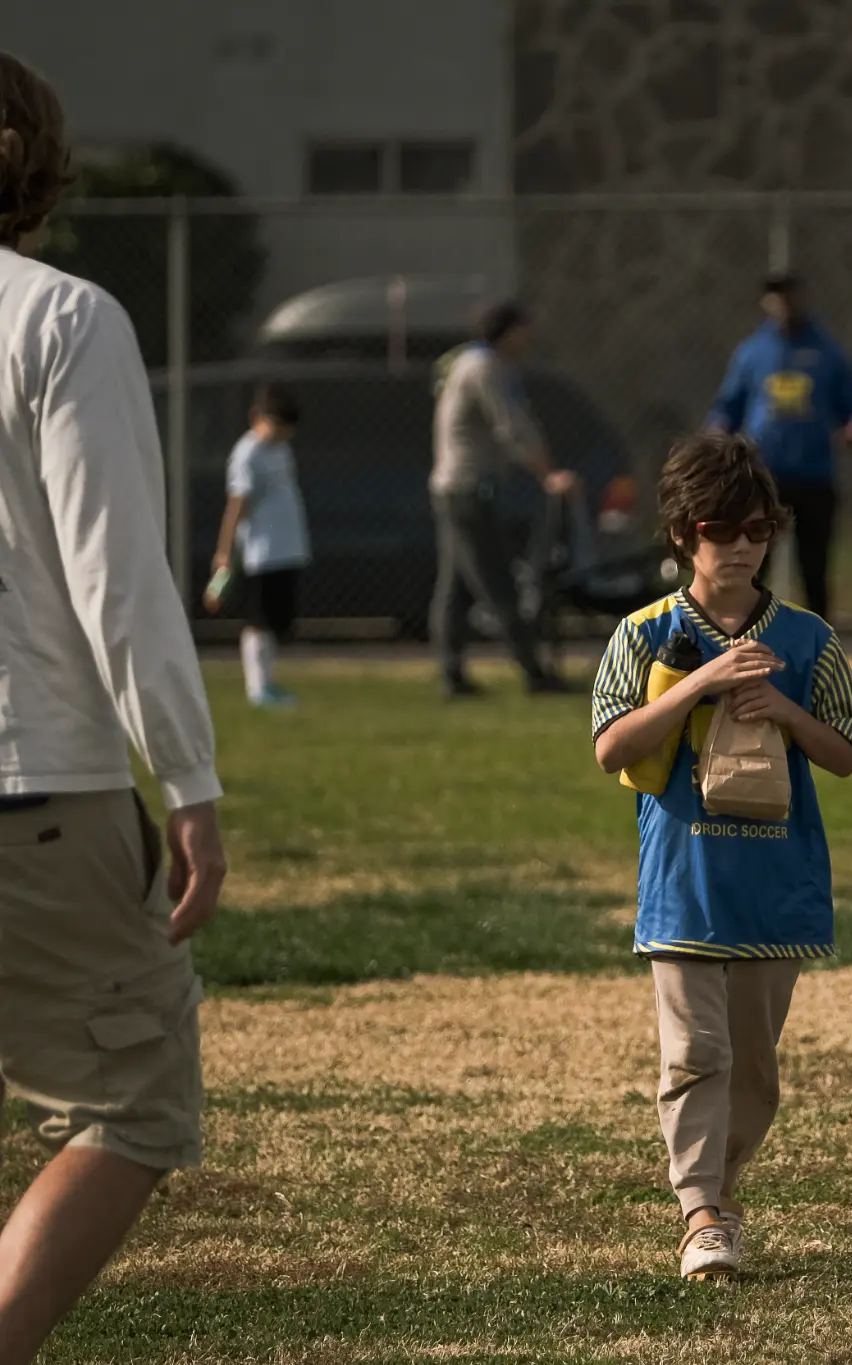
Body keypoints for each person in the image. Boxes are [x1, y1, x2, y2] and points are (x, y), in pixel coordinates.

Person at [0, 51, 227, 1365]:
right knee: (135, 1100)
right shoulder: (61, 320)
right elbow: (116, 576)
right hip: (41, 784)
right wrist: (189, 785)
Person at [590, 432, 852, 1281]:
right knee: (693, 1053)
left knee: (754, 1069)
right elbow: (609, 749)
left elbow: (846, 750)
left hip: (777, 889)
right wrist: (700, 686)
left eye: (759, 530)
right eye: (722, 530)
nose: (742, 547)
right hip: (685, 885)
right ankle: (700, 1208)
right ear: (683, 534)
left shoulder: (808, 637)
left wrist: (781, 706)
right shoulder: (645, 634)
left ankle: (719, 1188)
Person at [429, 300, 577, 698]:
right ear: (508, 331)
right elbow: (512, 429)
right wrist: (550, 476)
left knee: (456, 588)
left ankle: (450, 675)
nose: (529, 338)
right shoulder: (484, 367)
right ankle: (534, 672)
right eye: (524, 329)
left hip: (454, 489)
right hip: (468, 491)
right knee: (498, 583)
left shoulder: (473, 363)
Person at [707, 273, 852, 623]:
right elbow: (728, 406)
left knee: (814, 566)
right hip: (764, 477)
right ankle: (744, 628)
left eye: (789, 296)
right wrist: (719, 433)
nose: (783, 305)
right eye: (775, 298)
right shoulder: (752, 352)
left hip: (813, 475)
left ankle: (820, 639)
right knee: (752, 560)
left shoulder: (827, 352)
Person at [205, 382, 310, 708]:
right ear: (257, 418)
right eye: (276, 427)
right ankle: (258, 687)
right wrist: (224, 551)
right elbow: (237, 504)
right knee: (259, 620)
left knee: (277, 621)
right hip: (261, 551)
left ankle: (269, 681)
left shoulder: (280, 450)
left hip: (287, 548)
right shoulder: (247, 453)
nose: (281, 436)